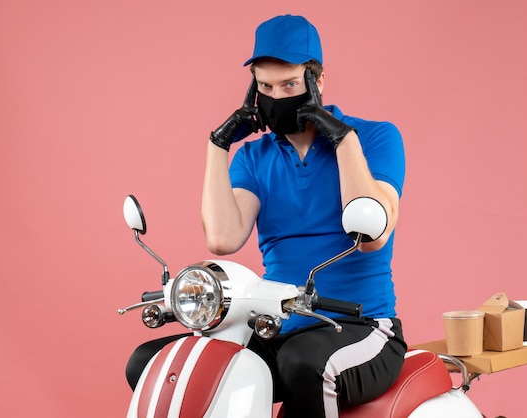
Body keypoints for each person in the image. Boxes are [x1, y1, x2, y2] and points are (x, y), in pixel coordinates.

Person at [127, 14, 407, 418]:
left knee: (302, 362)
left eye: (290, 85)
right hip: (275, 326)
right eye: (265, 87)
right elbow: (223, 238)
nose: (277, 97)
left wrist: (342, 138)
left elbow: (373, 235)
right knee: (156, 362)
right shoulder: (255, 157)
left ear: (318, 82)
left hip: (362, 328)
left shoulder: (376, 137)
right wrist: (217, 145)